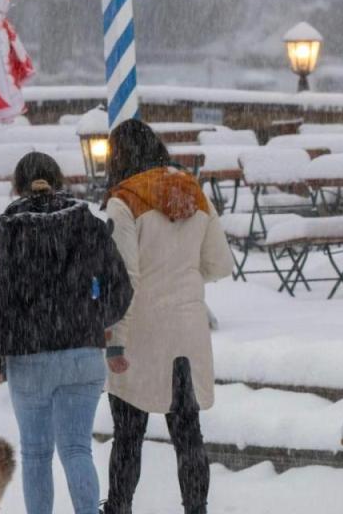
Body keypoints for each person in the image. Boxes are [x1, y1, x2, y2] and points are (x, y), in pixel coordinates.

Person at [0, 152, 134, 514]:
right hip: (82, 354)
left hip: (29, 356)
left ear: (17, 185)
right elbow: (121, 288)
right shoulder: (87, 224)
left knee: (36, 453)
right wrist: (95, 319)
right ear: (59, 180)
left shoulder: (13, 228)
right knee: (78, 448)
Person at [100, 120, 233, 514]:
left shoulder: (123, 201)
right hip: (188, 333)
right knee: (188, 433)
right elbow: (219, 263)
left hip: (140, 332)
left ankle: (119, 507)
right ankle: (196, 507)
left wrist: (116, 341)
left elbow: (127, 278)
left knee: (128, 435)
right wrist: (183, 281)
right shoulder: (193, 192)